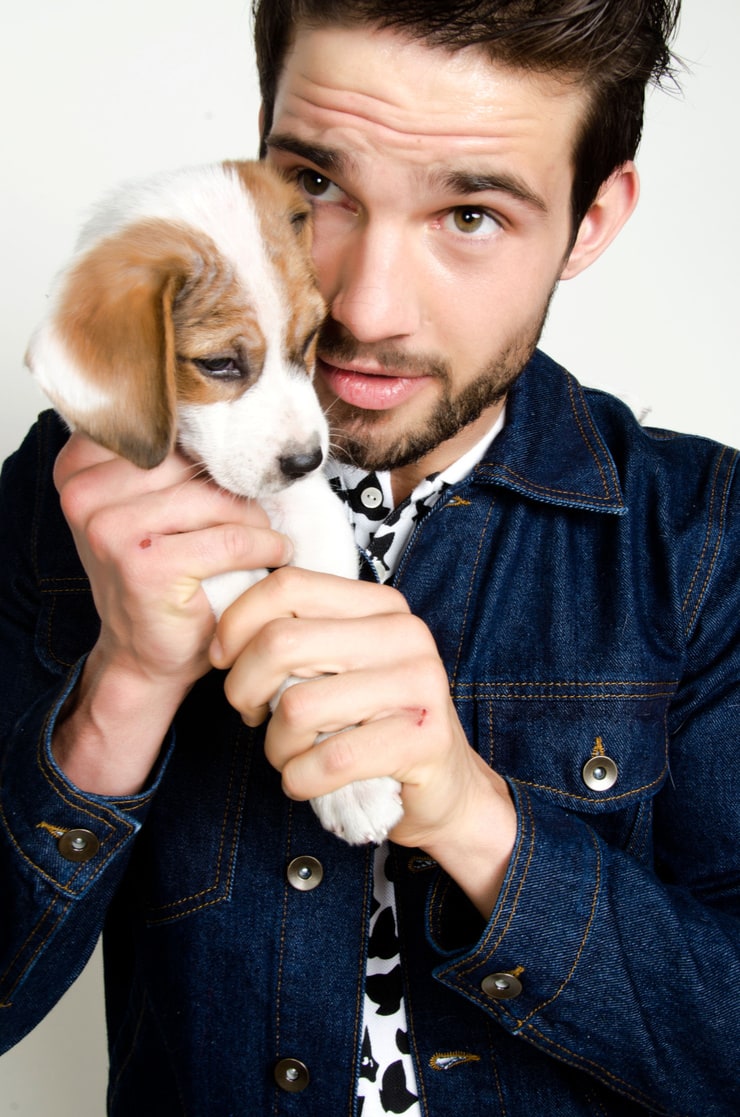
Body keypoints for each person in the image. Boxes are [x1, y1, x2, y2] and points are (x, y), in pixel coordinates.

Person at [1, 0, 738, 1113]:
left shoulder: (702, 539)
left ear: (590, 220)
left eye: (471, 213)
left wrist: (467, 814)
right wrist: (124, 687)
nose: (362, 305)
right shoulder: (75, 497)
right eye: (317, 185)